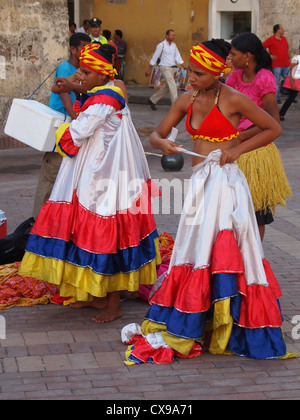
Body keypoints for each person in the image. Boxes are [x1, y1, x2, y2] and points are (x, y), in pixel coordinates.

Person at [121, 39, 296, 363]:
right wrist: (164, 144)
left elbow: (272, 127)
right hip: (199, 183)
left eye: (197, 73)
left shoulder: (233, 99)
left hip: (227, 185)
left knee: (227, 248)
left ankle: (230, 320)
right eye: (189, 71)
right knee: (197, 248)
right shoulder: (187, 99)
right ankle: (201, 316)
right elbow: (156, 134)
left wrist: (236, 149)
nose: (190, 77)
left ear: (216, 73)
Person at [19, 43, 161, 324]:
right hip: (96, 169)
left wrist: (54, 127)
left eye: (86, 71)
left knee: (108, 235)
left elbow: (79, 130)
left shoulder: (105, 99)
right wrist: (71, 86)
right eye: (80, 70)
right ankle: (95, 295)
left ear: (102, 75)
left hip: (105, 176)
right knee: (89, 232)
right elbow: (86, 98)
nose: (80, 75)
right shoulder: (104, 91)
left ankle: (113, 303)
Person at [226, 32, 292, 240]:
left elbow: (273, 121)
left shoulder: (264, 78)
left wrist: (243, 136)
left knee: (256, 212)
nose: (230, 57)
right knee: (232, 211)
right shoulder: (234, 77)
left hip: (257, 153)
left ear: (247, 56)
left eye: (233, 54)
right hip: (234, 148)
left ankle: (254, 257)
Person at [32, 32, 91, 220]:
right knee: (50, 176)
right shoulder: (66, 68)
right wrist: (79, 123)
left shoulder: (84, 70)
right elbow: (66, 99)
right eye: (83, 47)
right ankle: (37, 222)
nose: (86, 51)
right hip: (62, 127)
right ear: (73, 49)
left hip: (69, 129)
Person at [145, 29, 186, 110]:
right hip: (164, 67)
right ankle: (175, 106)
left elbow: (178, 56)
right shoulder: (161, 45)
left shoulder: (174, 45)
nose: (173, 37)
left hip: (172, 68)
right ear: (166, 36)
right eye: (171, 35)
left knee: (167, 87)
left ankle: (153, 100)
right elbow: (154, 57)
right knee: (173, 85)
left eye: (174, 35)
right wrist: (149, 69)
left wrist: (184, 65)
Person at [263, 24, 290, 103]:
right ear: (277, 30)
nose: (283, 30)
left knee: (289, 80)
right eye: (281, 28)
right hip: (276, 65)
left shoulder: (284, 39)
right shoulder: (271, 39)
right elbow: (262, 48)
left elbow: (287, 49)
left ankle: (289, 96)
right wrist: (269, 56)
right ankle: (276, 98)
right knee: (276, 82)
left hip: (286, 64)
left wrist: (289, 58)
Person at [279, 45, 300, 121]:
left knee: (291, 98)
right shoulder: (296, 59)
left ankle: (281, 113)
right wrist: (292, 84)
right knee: (291, 98)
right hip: (295, 81)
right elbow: (292, 72)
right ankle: (281, 113)